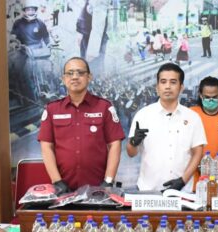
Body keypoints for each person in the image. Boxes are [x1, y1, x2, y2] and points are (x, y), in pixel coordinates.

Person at [38, 57, 124, 193]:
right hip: (64, 188)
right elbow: (46, 147)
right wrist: (57, 181)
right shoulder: (52, 109)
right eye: (70, 73)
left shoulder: (104, 107)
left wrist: (108, 180)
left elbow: (115, 144)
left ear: (89, 77)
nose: (75, 77)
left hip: (99, 187)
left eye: (80, 73)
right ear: (63, 79)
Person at [126, 63, 206, 192]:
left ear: (181, 87)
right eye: (163, 82)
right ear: (157, 87)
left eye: (173, 82)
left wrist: (183, 181)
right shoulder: (143, 115)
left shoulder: (193, 117)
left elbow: (198, 153)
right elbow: (131, 153)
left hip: (183, 190)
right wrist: (134, 142)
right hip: (148, 190)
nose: (168, 86)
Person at [77, 0, 109, 75]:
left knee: (93, 72)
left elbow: (99, 20)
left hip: (93, 40)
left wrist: (92, 51)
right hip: (87, 36)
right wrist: (80, 30)